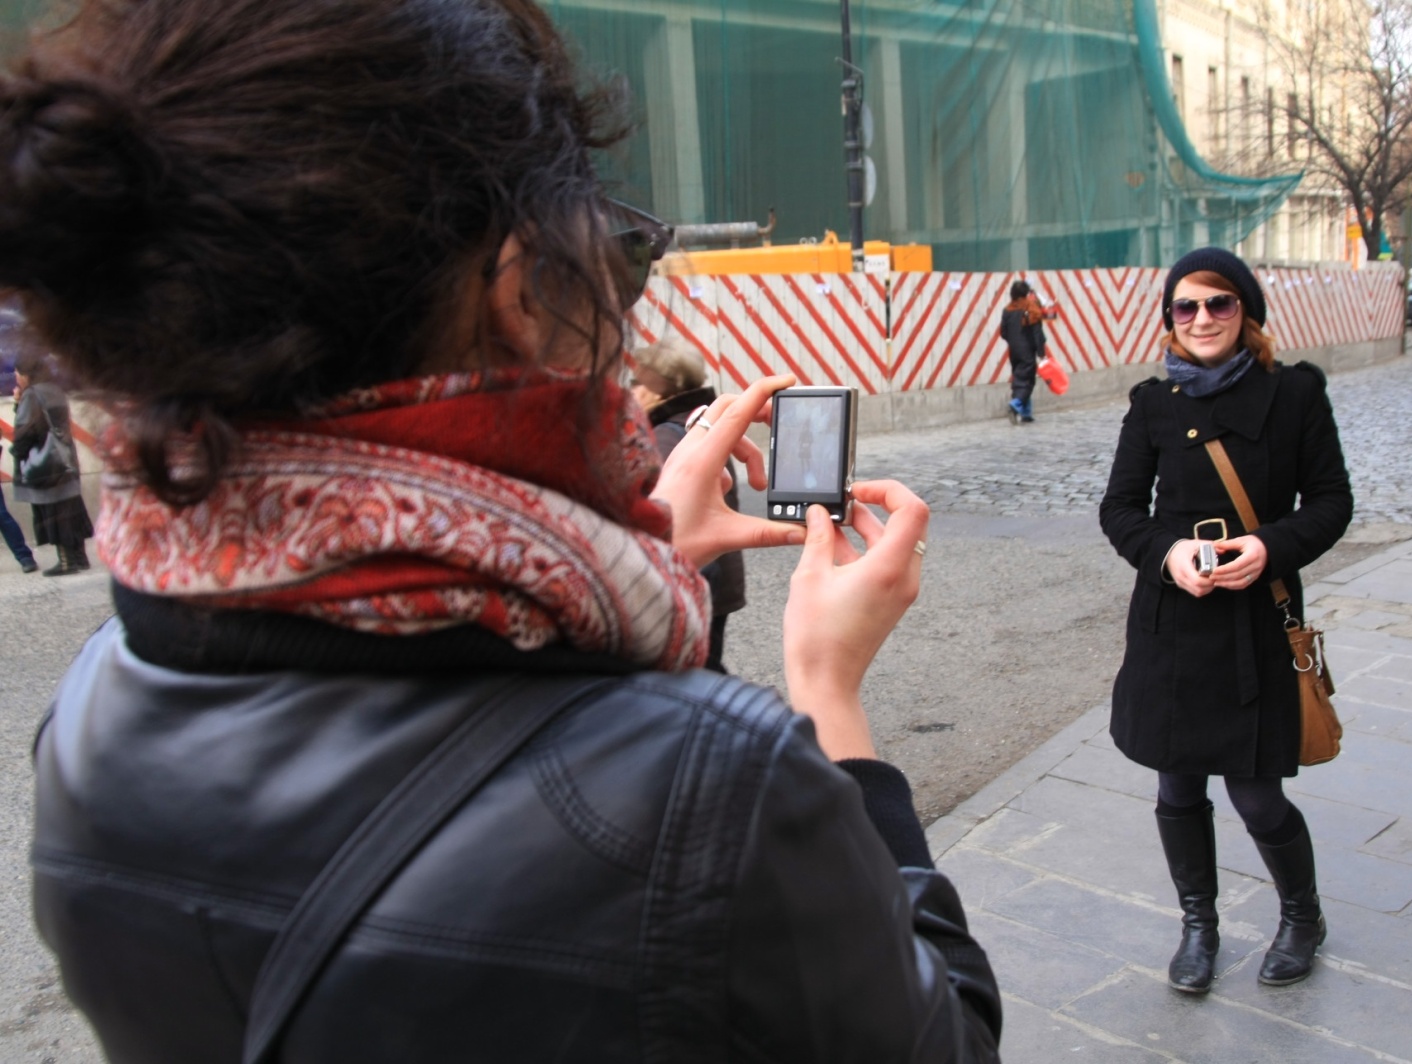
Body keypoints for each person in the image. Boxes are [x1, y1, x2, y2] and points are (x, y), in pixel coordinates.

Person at [8, 2, 1002, 1061]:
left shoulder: (92, 706)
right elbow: (948, 1037)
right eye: (618, 258)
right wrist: (826, 690)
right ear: (527, 290)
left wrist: (658, 551)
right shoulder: (709, 785)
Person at [1099, 247, 1353, 995]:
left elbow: (1332, 502)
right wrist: (1168, 553)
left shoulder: (1296, 394)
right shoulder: (1152, 404)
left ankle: (1302, 917)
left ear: (1246, 313)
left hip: (1256, 623)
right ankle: (1198, 926)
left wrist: (1271, 546)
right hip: (1172, 626)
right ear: (1170, 319)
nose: (1202, 318)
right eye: (1187, 306)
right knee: (1177, 789)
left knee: (1257, 794)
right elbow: (1119, 510)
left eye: (1219, 303)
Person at [631, 338, 745, 673]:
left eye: (636, 382)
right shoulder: (697, 424)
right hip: (715, 573)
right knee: (706, 666)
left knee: (696, 673)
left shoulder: (666, 436)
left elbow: (657, 514)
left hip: (694, 574)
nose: (630, 391)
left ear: (656, 391)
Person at [11, 347, 91, 575]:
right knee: (71, 509)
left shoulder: (33, 394)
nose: (16, 377)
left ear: (26, 373)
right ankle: (80, 557)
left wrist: (17, 451)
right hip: (65, 459)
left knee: (53, 512)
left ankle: (66, 562)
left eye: (18, 372)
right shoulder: (55, 389)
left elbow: (27, 430)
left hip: (44, 464)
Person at [997, 279, 1051, 423]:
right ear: (1026, 294)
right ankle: (1016, 404)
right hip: (1027, 350)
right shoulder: (1031, 309)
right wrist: (1041, 352)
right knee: (1027, 381)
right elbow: (1037, 332)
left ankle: (1026, 413)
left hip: (1013, 351)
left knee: (1018, 377)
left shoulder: (1007, 310)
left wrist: (1013, 341)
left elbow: (1003, 332)